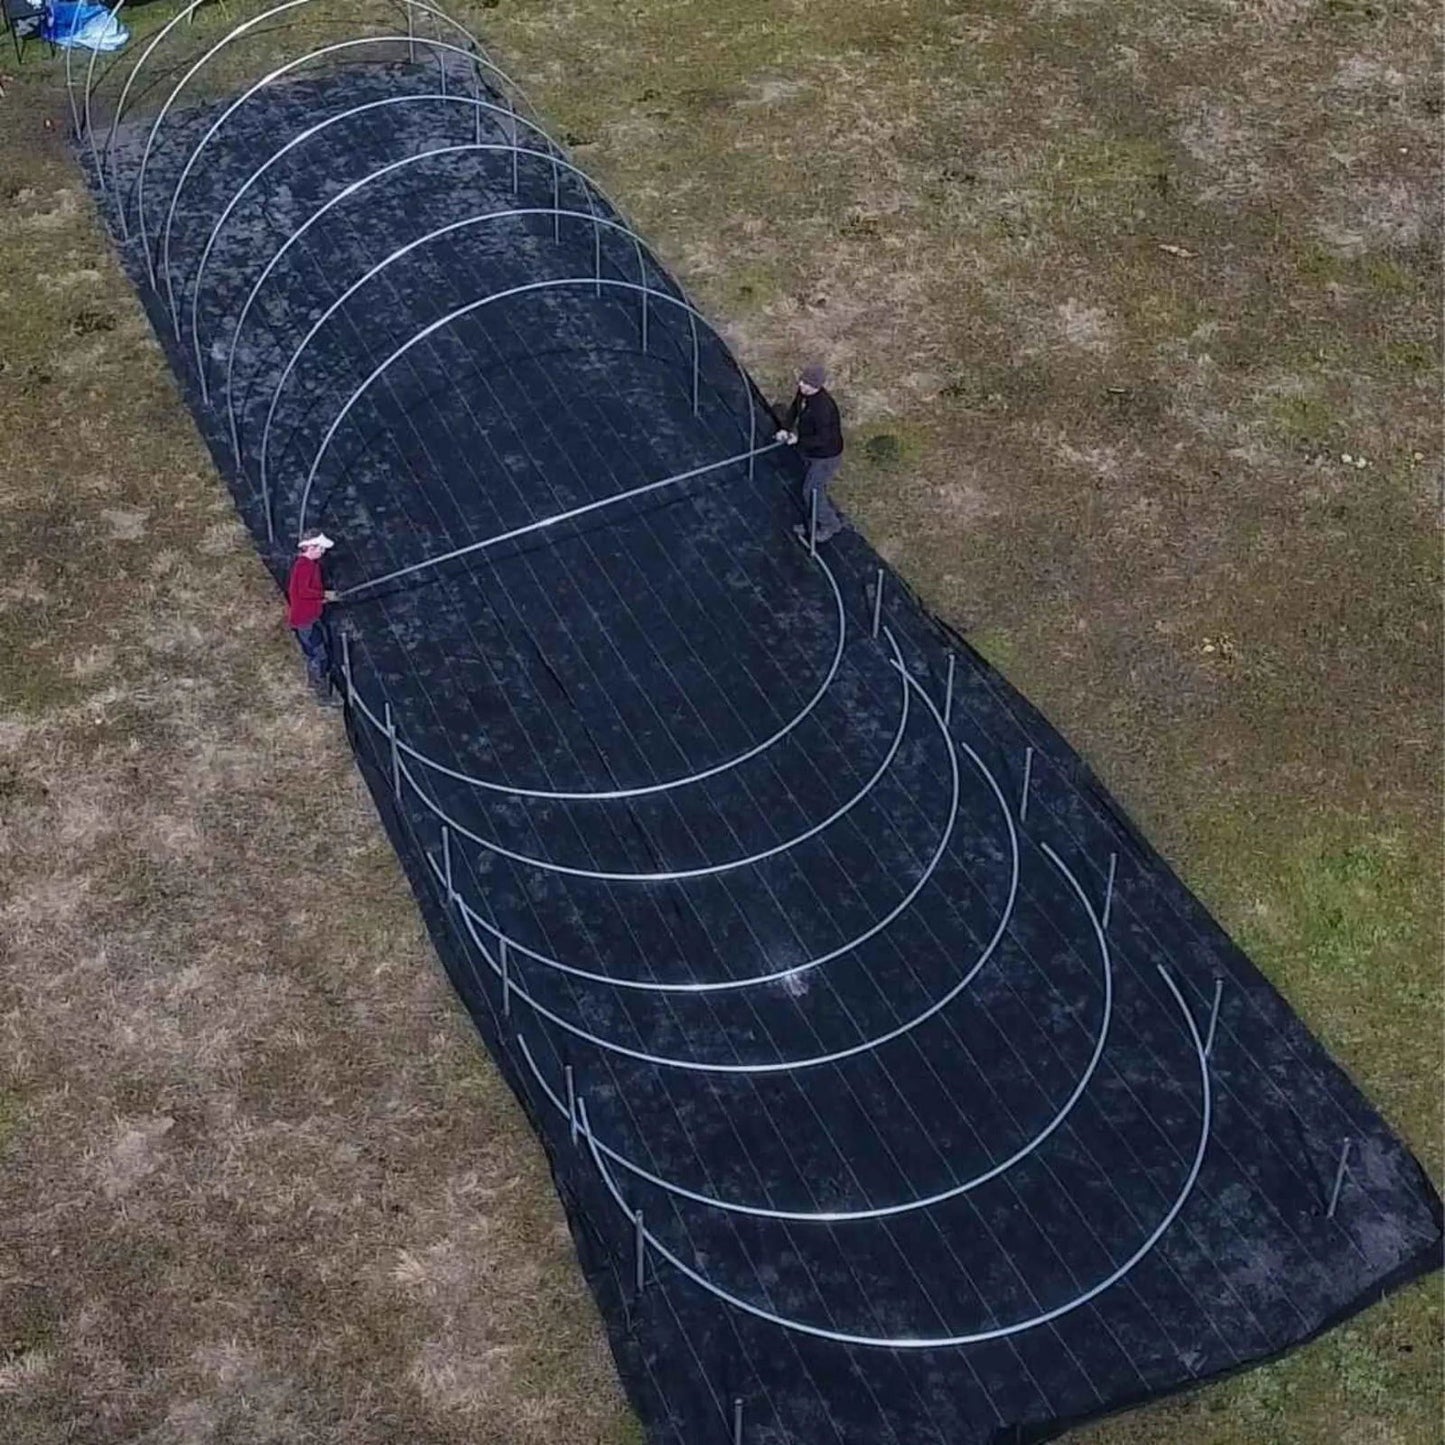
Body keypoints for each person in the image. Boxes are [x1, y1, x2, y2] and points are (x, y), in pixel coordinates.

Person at [776, 363, 845, 544]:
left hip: (825, 456)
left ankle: (831, 524)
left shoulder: (824, 409)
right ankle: (811, 523)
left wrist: (798, 440)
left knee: (811, 491)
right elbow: (794, 410)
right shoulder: (803, 394)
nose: (802, 386)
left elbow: (824, 439)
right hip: (811, 451)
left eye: (807, 384)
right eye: (802, 381)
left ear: (818, 386)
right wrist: (785, 428)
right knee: (814, 488)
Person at [287, 532, 340, 706]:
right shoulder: (304, 566)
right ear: (310, 547)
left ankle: (316, 682)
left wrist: (321, 599)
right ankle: (321, 694)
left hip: (312, 615)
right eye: (320, 548)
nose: (323, 551)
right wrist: (324, 594)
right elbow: (303, 591)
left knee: (317, 650)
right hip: (305, 620)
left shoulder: (311, 565)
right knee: (318, 654)